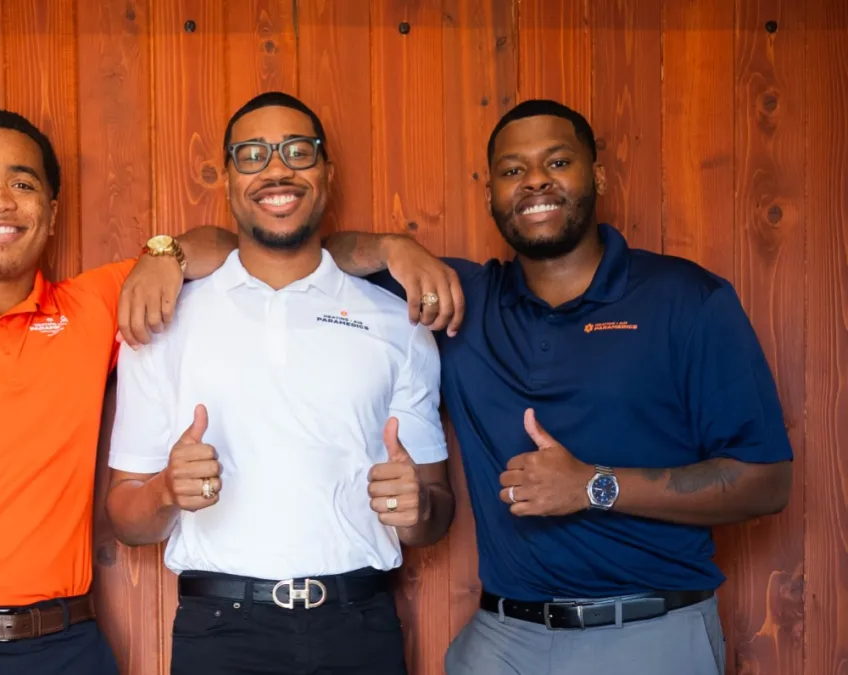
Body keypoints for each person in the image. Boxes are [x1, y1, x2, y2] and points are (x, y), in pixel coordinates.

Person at [0, 107, 464, 675]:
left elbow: (259, 242)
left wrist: (385, 248)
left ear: (51, 213)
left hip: (64, 647)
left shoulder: (100, 307)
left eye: (21, 183)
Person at [338, 99, 793, 675]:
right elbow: (313, 256)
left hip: (650, 636)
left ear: (596, 175)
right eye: (511, 170)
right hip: (503, 642)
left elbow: (767, 482)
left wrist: (594, 487)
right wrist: (392, 247)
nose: (534, 182)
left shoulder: (686, 299)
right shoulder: (465, 300)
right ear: (491, 196)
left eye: (557, 162)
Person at [104, 91, 457, 675]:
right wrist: (165, 489)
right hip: (220, 631)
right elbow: (125, 517)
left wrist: (417, 507)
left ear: (326, 173)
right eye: (252, 154)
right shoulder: (164, 319)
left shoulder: (398, 321)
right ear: (227, 179)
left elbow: (436, 514)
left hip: (359, 624)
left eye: (298, 150)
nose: (276, 169)